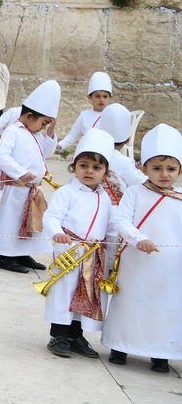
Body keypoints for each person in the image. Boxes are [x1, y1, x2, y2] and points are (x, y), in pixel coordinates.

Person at [40, 129, 140, 359]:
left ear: (105, 173)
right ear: (74, 167)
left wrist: (114, 256)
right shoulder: (65, 192)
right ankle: (59, 335)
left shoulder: (106, 198)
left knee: (87, 295)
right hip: (70, 252)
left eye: (96, 168)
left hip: (95, 257)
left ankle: (76, 335)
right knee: (65, 294)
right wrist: (57, 234)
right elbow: (51, 217)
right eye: (83, 165)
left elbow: (112, 228)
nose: (89, 171)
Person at [102, 124, 179, 372]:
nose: (164, 174)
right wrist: (138, 238)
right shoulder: (135, 192)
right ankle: (120, 346)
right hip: (137, 262)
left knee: (166, 307)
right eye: (157, 168)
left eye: (171, 168)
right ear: (143, 168)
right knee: (130, 304)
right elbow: (121, 220)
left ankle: (160, 352)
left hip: (170, 268)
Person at [0, 80, 60, 273]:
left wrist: (51, 132)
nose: (43, 127)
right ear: (30, 116)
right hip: (17, 187)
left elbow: (46, 152)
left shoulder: (36, 134)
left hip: (32, 189)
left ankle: (22, 253)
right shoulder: (13, 132)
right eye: (43, 123)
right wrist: (20, 173)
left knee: (29, 222)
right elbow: (2, 156)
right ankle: (6, 256)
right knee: (12, 221)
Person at [57, 71, 112, 154]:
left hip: (106, 153)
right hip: (87, 153)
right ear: (90, 97)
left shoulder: (112, 115)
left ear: (109, 98)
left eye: (105, 96)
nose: (101, 100)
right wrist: (59, 145)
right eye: (97, 96)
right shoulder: (84, 115)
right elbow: (73, 136)